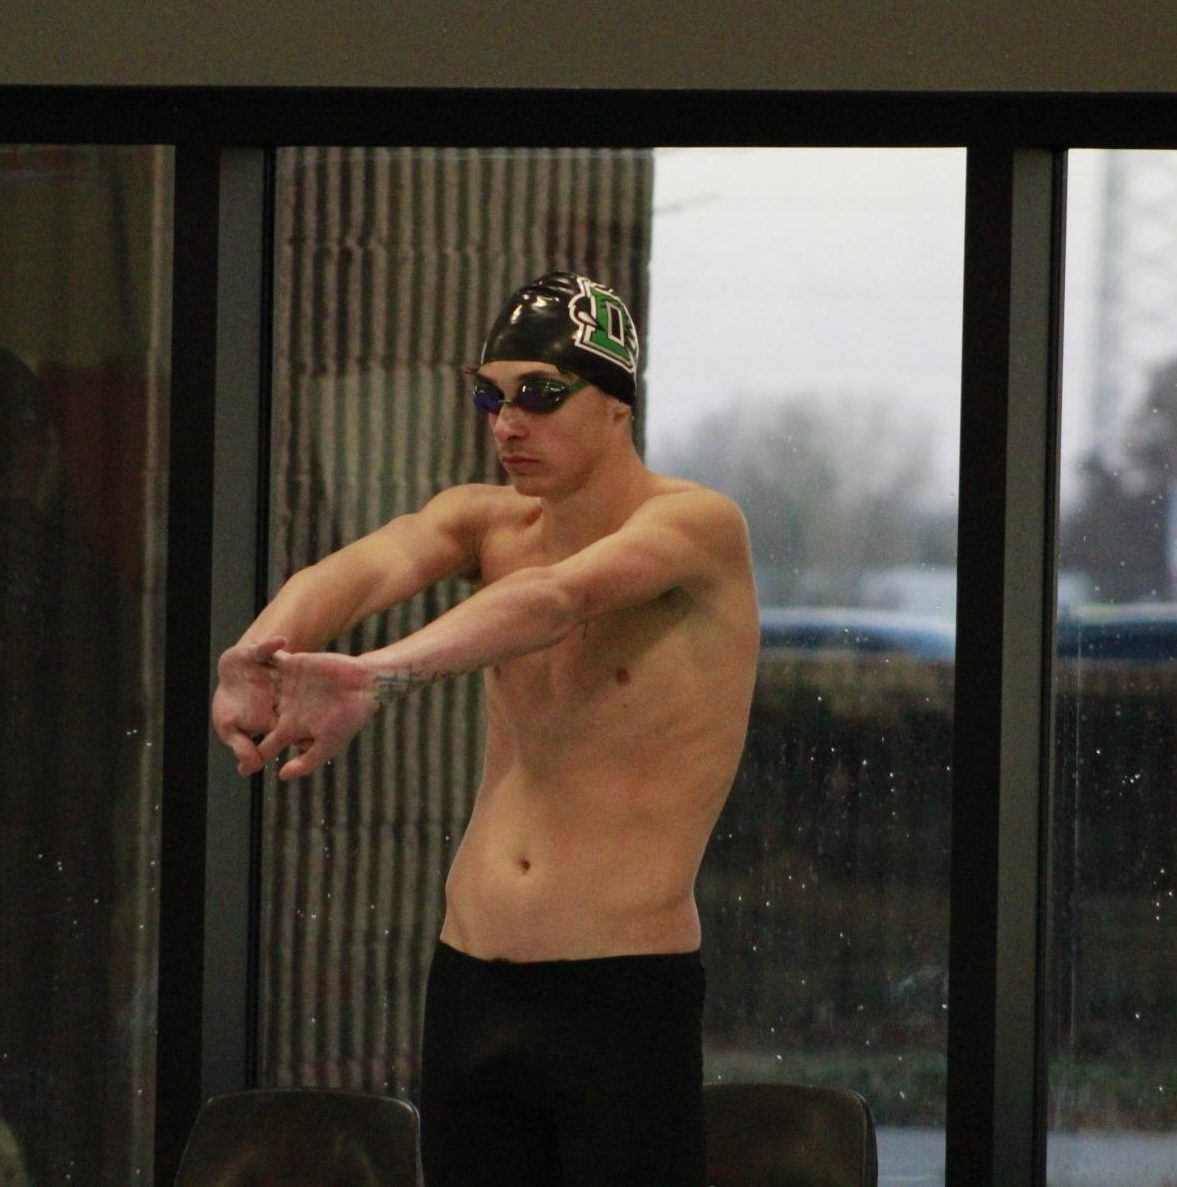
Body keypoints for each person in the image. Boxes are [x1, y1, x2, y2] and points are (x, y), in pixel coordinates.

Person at [212, 271, 760, 1185]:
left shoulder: (694, 525)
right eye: (490, 396)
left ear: (617, 404)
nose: (507, 424)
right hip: (469, 974)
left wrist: (379, 676)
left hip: (619, 987)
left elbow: (557, 598)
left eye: (541, 396)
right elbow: (368, 564)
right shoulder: (486, 521)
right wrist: (259, 650)